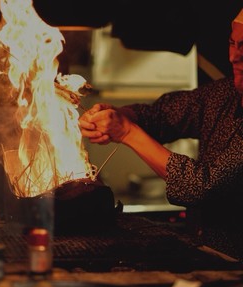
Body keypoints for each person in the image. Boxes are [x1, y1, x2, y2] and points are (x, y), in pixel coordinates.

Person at [79, 9, 243, 261]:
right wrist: (116, 114)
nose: (234, 56)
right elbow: (163, 114)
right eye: (232, 44)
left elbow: (201, 186)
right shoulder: (225, 95)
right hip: (213, 259)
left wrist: (126, 131)